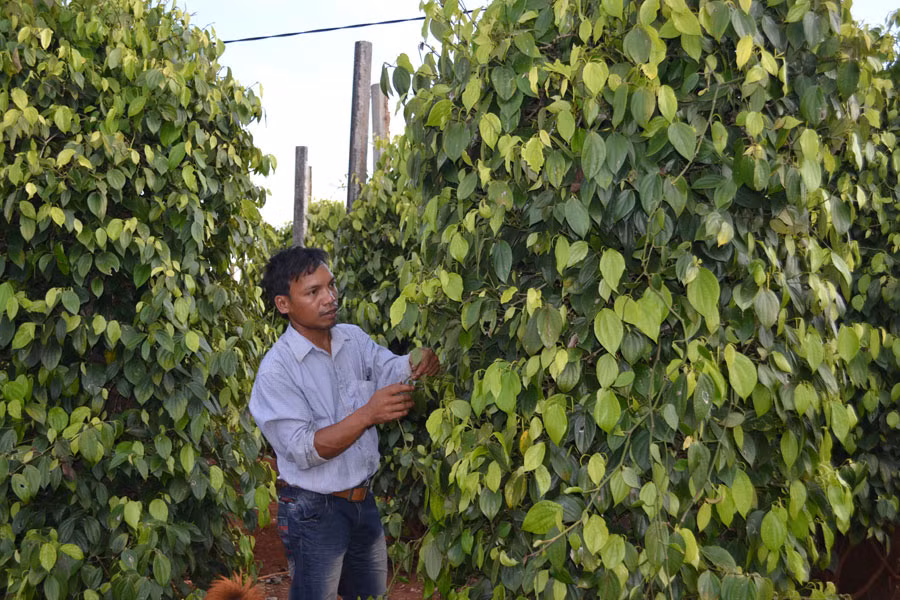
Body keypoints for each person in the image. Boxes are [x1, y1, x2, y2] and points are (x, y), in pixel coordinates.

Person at [249, 246, 440, 600]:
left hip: (362, 504)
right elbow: (306, 449)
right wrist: (368, 413)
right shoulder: (277, 371)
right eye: (313, 292)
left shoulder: (352, 340)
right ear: (283, 305)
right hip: (313, 512)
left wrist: (419, 361)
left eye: (330, 286)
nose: (329, 298)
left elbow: (391, 368)